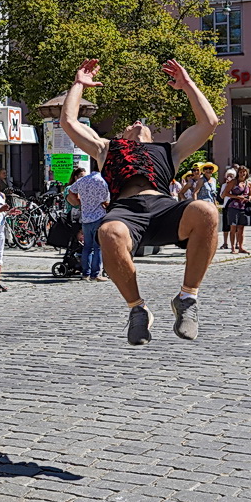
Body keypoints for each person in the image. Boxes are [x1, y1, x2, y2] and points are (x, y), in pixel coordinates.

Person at [57, 58, 221, 345]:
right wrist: (78, 85)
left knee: (206, 211)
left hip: (164, 208)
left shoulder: (169, 150)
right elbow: (68, 122)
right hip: (126, 210)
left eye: (141, 123)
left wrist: (188, 85)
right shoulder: (106, 148)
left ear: (152, 134)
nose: (137, 124)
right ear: (122, 136)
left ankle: (187, 298)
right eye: (131, 124)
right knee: (108, 232)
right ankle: (138, 309)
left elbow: (208, 122)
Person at [66, 165, 110, 280]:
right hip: (99, 217)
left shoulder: (83, 180)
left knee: (87, 247)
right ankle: (96, 275)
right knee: (98, 247)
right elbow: (106, 201)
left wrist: (78, 202)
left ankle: (85, 273)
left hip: (85, 217)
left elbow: (70, 191)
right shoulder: (103, 181)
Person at [220, 165, 251, 253]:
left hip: (243, 207)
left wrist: (248, 198)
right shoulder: (233, 182)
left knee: (241, 228)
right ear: (238, 173)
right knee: (233, 227)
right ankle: (233, 247)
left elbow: (250, 194)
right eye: (241, 172)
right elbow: (225, 193)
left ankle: (241, 247)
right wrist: (237, 197)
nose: (242, 174)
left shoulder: (248, 183)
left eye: (244, 172)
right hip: (233, 206)